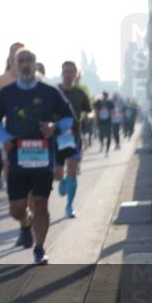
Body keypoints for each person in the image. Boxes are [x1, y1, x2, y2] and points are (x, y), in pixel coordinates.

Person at [0, 48, 73, 266]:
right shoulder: (7, 93)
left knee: (41, 203)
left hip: (43, 158)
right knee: (16, 209)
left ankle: (40, 248)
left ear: (36, 64)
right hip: (17, 158)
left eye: (29, 60)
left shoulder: (50, 92)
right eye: (21, 61)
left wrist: (54, 127)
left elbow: (69, 118)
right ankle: (25, 223)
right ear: (15, 66)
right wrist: (4, 137)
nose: (26, 65)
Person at [55, 61, 91, 218]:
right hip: (56, 136)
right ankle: (62, 180)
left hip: (74, 136)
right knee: (57, 173)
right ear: (61, 73)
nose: (68, 74)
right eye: (66, 71)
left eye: (71, 71)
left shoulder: (80, 93)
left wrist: (88, 116)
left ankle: (69, 206)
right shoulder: (54, 92)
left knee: (72, 168)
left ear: (76, 74)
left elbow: (89, 111)